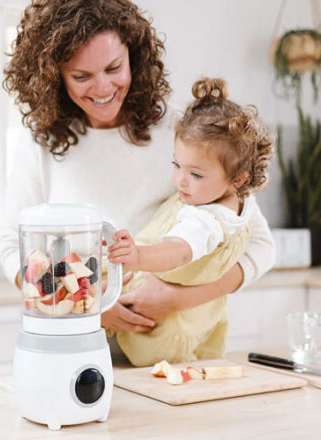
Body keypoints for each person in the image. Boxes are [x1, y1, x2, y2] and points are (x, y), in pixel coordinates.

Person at [0, 0, 275, 357]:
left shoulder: (184, 134)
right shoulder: (42, 144)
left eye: (114, 67)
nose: (102, 88)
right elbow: (10, 246)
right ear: (54, 77)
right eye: (81, 76)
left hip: (167, 351)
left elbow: (260, 246)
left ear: (135, 57)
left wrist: (177, 299)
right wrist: (91, 302)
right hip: (76, 346)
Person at [107, 78, 274, 366]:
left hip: (156, 333)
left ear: (237, 179)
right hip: (191, 325)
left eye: (195, 174)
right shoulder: (235, 203)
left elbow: (179, 249)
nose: (180, 180)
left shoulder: (206, 219)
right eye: (176, 165)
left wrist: (138, 256)